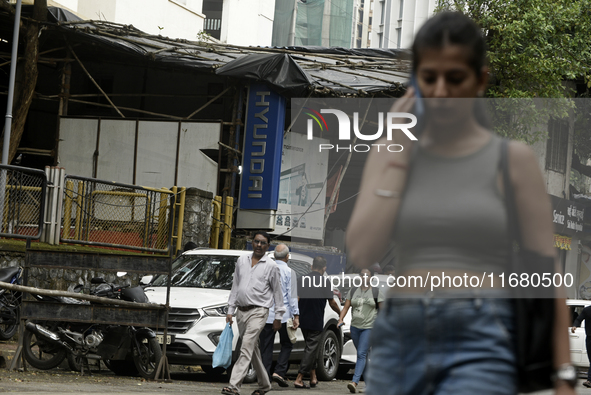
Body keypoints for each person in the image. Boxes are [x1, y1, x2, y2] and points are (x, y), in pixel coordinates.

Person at [345, 11, 575, 395]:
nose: (440, 91)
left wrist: (563, 373)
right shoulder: (393, 154)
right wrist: (398, 155)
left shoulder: (512, 160)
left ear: (480, 80)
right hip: (401, 334)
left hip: (481, 334)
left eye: (455, 79)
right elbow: (363, 248)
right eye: (428, 77)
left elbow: (546, 271)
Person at [222, 231, 285, 395]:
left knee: (246, 347)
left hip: (259, 311)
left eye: (263, 243)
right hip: (241, 313)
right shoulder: (242, 260)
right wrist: (231, 309)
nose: (259, 245)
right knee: (253, 350)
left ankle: (234, 385)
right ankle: (265, 385)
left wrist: (278, 317)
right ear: (252, 242)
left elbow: (278, 293)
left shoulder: (271, 266)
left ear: (267, 246)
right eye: (256, 241)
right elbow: (236, 285)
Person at [293, 256, 341, 389]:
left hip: (303, 319)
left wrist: (295, 316)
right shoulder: (325, 282)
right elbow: (332, 302)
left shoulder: (301, 279)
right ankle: (300, 377)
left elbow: (296, 299)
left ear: (311, 266)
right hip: (316, 320)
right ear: (324, 268)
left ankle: (313, 377)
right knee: (311, 348)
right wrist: (340, 312)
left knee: (310, 348)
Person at [258, 243, 300, 387]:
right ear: (287, 257)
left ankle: (264, 377)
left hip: (267, 314)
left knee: (266, 347)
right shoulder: (290, 272)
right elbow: (292, 296)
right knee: (287, 344)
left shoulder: (265, 270)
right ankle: (279, 371)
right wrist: (296, 316)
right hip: (284, 315)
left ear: (274, 256)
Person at [337, 269, 384, 393]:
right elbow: (346, 307)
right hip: (355, 328)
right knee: (364, 355)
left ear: (371, 278)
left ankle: (354, 382)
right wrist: (340, 318)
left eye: (367, 275)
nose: (364, 277)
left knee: (361, 354)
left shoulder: (376, 292)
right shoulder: (353, 290)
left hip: (369, 327)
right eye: (362, 275)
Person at [571, 306, 591, 388]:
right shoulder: (587, 310)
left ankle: (590, 380)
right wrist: (575, 326)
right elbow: (579, 319)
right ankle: (589, 380)